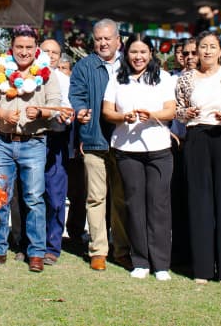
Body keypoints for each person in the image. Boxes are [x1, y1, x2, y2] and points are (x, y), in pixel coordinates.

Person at [0, 25, 63, 272]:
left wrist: (41, 112)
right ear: (11, 47)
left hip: (34, 143)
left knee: (34, 199)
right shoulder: (0, 67)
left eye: (28, 47)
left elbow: (56, 105)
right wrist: (2, 112)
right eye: (19, 47)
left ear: (36, 48)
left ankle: (36, 252)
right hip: (4, 142)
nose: (24, 52)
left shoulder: (47, 72)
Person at [103, 34, 177, 281]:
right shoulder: (117, 79)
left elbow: (171, 110)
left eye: (143, 52)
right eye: (134, 52)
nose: (138, 57)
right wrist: (123, 117)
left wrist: (152, 114)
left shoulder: (164, 78)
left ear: (151, 53)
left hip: (158, 150)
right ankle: (140, 261)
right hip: (127, 151)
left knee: (158, 206)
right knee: (134, 206)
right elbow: (107, 111)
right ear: (126, 53)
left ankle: (161, 264)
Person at [175, 31, 221, 284]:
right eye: (202, 47)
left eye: (212, 47)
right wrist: (187, 112)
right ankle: (202, 268)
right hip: (196, 138)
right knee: (199, 202)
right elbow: (179, 111)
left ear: (220, 50)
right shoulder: (186, 78)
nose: (207, 51)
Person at [70, 19, 130, 271]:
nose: (103, 43)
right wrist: (81, 111)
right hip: (94, 140)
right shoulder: (84, 66)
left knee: (121, 198)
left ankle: (123, 249)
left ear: (119, 40)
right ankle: (98, 250)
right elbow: (77, 96)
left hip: (125, 141)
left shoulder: (131, 64)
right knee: (95, 198)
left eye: (108, 38)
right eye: (98, 39)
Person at [39, 37, 72, 265]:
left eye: (54, 53)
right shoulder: (28, 76)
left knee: (55, 196)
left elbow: (70, 109)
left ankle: (53, 246)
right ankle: (32, 244)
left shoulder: (63, 79)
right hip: (32, 138)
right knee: (32, 195)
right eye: (46, 51)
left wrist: (65, 115)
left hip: (56, 139)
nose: (50, 56)